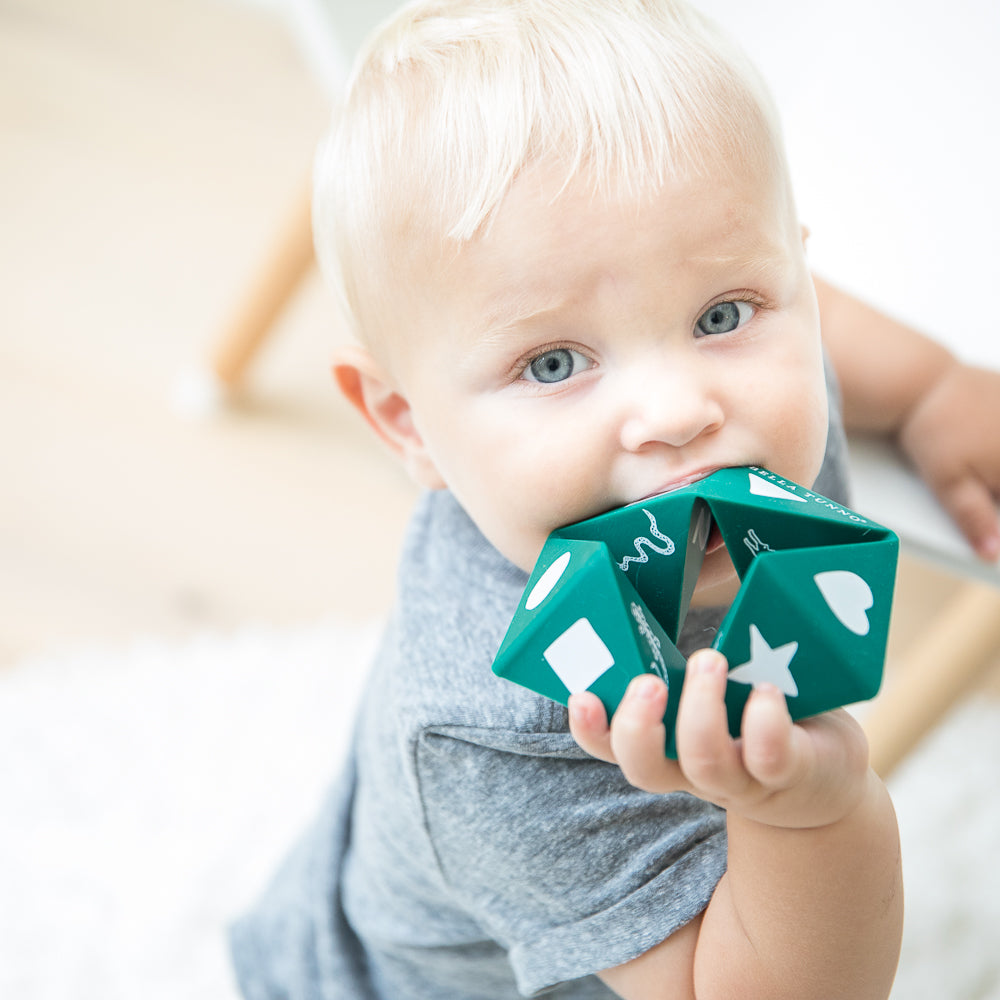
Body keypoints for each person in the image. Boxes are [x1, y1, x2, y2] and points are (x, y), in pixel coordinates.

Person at [229, 2, 1000, 997]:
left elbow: (810, 307)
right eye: (553, 361)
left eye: (718, 311)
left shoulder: (758, 373)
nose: (678, 410)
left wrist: (936, 385)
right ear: (407, 422)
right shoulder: (501, 732)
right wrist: (811, 813)